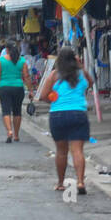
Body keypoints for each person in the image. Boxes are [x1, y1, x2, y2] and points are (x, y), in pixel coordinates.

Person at [40, 47, 95, 195]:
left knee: (61, 152)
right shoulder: (82, 74)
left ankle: (60, 183)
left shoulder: (54, 75)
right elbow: (91, 83)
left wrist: (54, 100)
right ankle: (80, 181)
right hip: (78, 114)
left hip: (58, 115)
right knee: (77, 151)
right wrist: (81, 66)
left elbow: (43, 95)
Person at [0, 40, 33, 144]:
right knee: (17, 111)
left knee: (6, 110)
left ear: (7, 50)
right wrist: (31, 90)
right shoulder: (22, 61)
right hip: (18, 88)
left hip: (4, 88)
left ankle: (9, 131)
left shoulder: (0, 60)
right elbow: (26, 76)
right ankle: (17, 135)